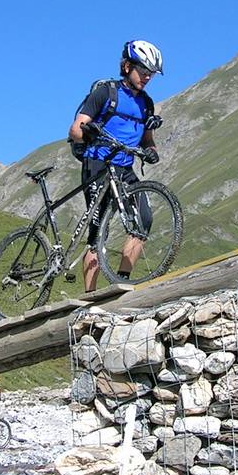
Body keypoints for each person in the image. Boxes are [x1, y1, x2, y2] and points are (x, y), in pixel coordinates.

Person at [67, 39, 164, 292]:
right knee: (98, 233)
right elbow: (76, 129)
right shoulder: (105, 93)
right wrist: (90, 133)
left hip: (124, 168)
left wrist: (151, 152)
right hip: (97, 164)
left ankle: (122, 282)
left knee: (143, 221)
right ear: (126, 67)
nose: (147, 78)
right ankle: (90, 298)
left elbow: (148, 141)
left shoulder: (147, 104)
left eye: (150, 74)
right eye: (143, 71)